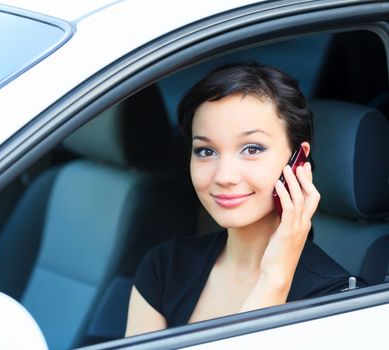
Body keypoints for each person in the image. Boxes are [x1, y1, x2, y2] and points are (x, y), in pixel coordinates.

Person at [125, 62, 363, 337]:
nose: (224, 176)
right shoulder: (165, 267)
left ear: (298, 161)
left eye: (252, 149)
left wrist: (274, 279)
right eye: (205, 151)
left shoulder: (343, 303)